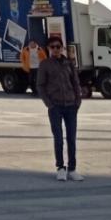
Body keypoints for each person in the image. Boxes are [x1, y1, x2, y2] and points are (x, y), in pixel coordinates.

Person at [36, 36, 83, 181]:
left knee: (71, 138)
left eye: (58, 46)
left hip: (70, 105)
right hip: (55, 105)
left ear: (62, 48)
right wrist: (48, 103)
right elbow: (40, 85)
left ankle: (72, 169)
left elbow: (75, 83)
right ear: (49, 49)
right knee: (58, 138)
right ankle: (60, 168)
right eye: (52, 47)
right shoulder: (45, 64)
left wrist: (77, 100)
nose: (56, 49)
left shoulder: (69, 63)